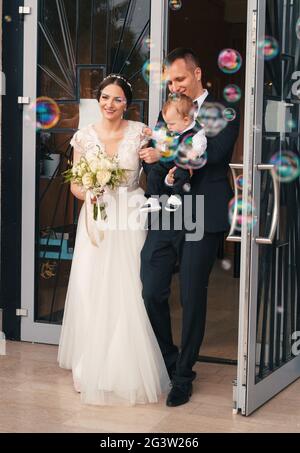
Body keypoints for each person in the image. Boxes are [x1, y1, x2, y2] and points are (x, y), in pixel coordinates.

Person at [58, 74, 170, 406]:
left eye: (117, 99)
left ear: (127, 104)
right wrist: (88, 192)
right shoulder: (83, 136)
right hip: (96, 217)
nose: (110, 104)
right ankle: (88, 363)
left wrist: (157, 155)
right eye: (105, 97)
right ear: (98, 100)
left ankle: (122, 366)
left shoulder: (140, 133)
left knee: (129, 288)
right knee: (90, 288)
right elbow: (75, 184)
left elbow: (152, 176)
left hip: (130, 215)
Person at [139, 48, 240, 407]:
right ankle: (169, 361)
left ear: (197, 74)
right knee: (151, 290)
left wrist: (165, 156)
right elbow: (154, 160)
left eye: (180, 79)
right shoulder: (169, 112)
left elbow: (213, 156)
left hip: (204, 213)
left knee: (193, 296)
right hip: (167, 213)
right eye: (170, 82)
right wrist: (157, 173)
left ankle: (183, 376)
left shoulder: (221, 112)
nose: (175, 87)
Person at [140, 93, 207, 213]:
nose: (168, 127)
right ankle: (153, 199)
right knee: (154, 173)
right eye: (167, 124)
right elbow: (161, 136)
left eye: (171, 124)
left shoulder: (196, 131)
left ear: (186, 120)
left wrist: (195, 152)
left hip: (182, 162)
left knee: (182, 174)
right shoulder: (172, 130)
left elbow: (201, 144)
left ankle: (177, 197)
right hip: (168, 160)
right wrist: (152, 134)